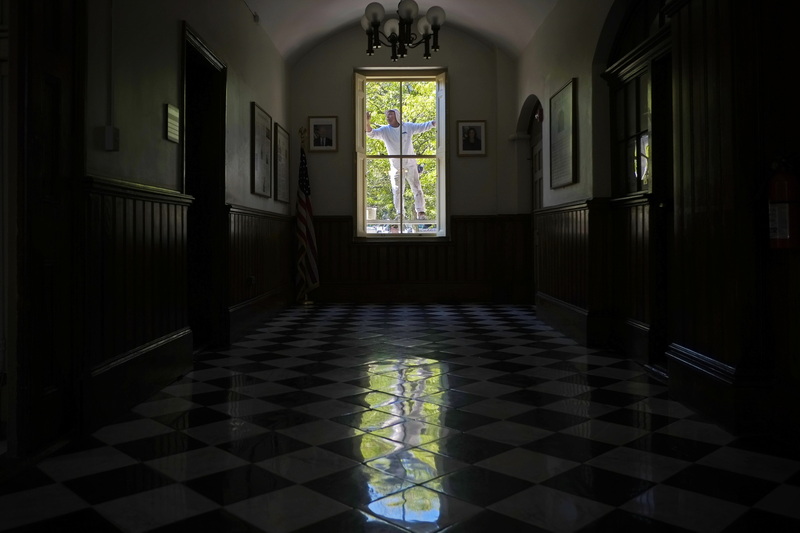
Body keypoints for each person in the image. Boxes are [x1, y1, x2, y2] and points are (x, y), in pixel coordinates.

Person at [366, 108, 435, 220]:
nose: (388, 117)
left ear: (397, 115)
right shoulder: (385, 130)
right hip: (396, 166)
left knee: (416, 187)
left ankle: (421, 212)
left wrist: (435, 123)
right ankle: (400, 214)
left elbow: (423, 126)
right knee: (397, 190)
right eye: (387, 115)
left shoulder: (407, 127)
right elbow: (371, 133)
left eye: (390, 115)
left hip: (410, 163)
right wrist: (366, 122)